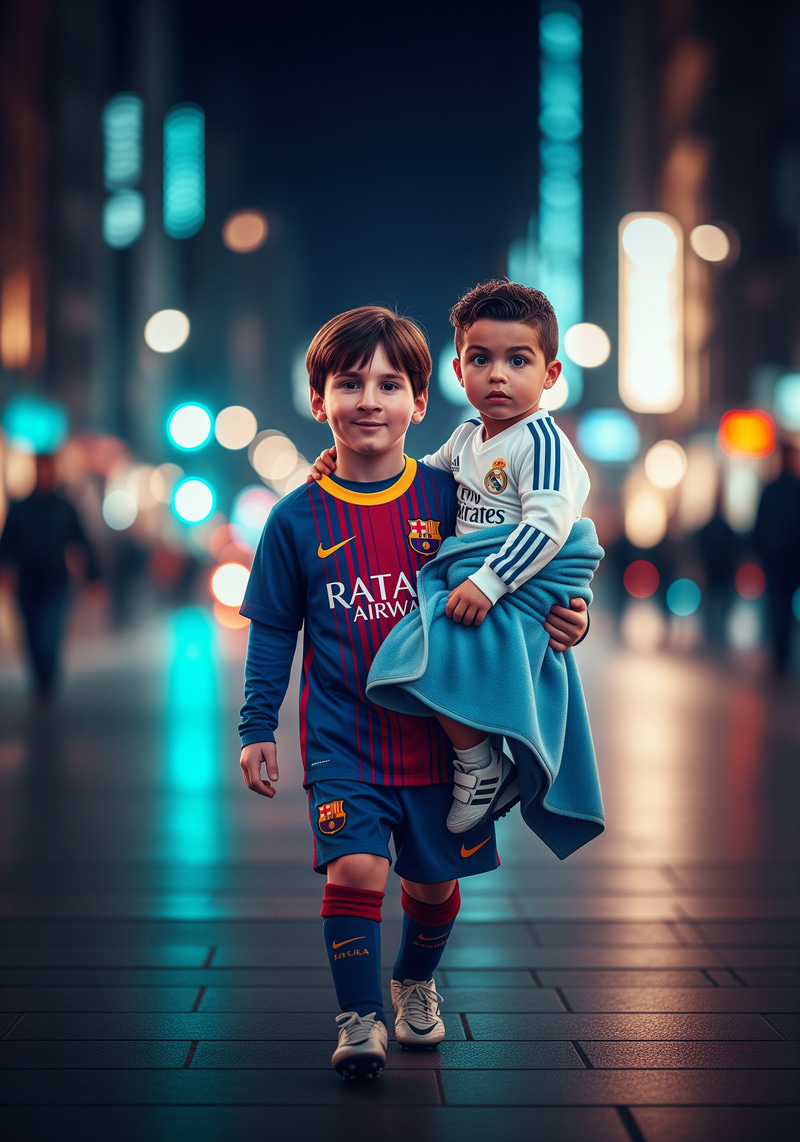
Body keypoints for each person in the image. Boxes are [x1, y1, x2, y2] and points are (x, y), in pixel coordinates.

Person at [238, 306, 588, 1080]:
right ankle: (358, 1018)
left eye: (390, 383)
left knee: (432, 890)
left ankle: (416, 979)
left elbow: (532, 562)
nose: (370, 399)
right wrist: (256, 725)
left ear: (423, 401)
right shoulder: (295, 519)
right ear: (318, 397)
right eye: (350, 383)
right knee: (356, 871)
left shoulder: (450, 494)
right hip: (344, 740)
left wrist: (572, 614)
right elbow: (271, 631)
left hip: (443, 744)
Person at [312, 280, 596, 835]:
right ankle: (481, 759)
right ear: (458, 370)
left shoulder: (540, 442)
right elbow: (419, 475)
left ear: (551, 375)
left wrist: (490, 583)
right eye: (480, 359)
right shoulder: (468, 436)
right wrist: (343, 458)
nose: (498, 374)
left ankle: (482, 765)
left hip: (513, 580)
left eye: (519, 360)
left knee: (434, 649)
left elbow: (549, 526)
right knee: (434, 653)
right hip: (477, 576)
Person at [0, 452, 100, 697]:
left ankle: (48, 680)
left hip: (55, 580)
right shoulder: (21, 508)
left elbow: (82, 542)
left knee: (50, 630)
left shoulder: (65, 508)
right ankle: (40, 680)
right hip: (27, 581)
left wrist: (94, 577)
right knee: (31, 632)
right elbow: (6, 544)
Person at [754, 442, 800, 674]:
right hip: (789, 560)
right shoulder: (793, 489)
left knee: (777, 604)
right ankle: (781, 653)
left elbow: (758, 526)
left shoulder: (770, 489)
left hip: (776, 559)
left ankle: (778, 653)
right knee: (784, 605)